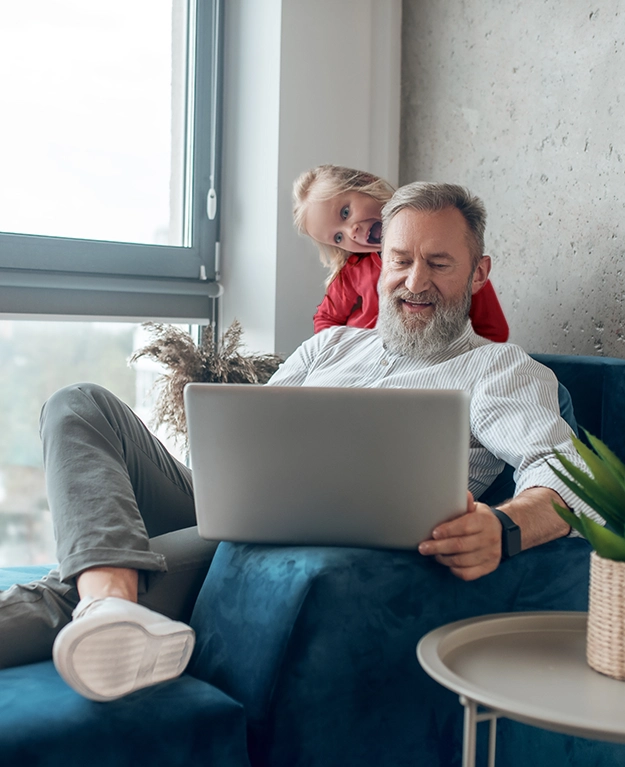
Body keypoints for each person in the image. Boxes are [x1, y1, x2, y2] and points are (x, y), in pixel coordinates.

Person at [0, 182, 595, 702]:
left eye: (439, 263)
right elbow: (252, 433)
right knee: (79, 403)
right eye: (401, 259)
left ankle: (103, 597)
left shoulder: (499, 370)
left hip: (298, 544)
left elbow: (571, 474)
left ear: (478, 273)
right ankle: (111, 601)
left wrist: (507, 526)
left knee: (67, 588)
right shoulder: (329, 347)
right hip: (228, 504)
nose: (416, 282)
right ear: (379, 263)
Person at [293, 164, 510, 342]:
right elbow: (326, 318)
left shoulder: (456, 260)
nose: (351, 231)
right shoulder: (353, 272)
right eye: (338, 238)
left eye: (345, 212)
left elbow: (494, 332)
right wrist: (343, 352)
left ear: (367, 183)